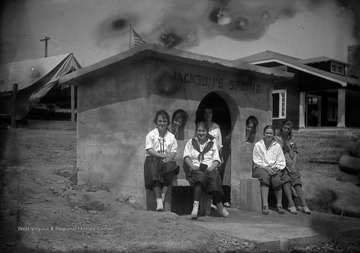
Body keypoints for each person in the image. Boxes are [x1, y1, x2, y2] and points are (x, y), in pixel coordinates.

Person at [183, 121, 229, 219]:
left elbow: (217, 160)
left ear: (207, 132)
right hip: (196, 169)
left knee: (214, 179)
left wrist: (210, 168)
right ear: (196, 131)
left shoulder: (212, 144)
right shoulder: (191, 142)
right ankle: (195, 207)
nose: (201, 133)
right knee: (201, 177)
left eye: (203, 131)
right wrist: (192, 166)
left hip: (209, 169)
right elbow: (186, 156)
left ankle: (220, 207)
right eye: (199, 131)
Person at [144, 110, 180, 211]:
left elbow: (173, 150)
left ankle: (164, 191)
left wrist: (169, 158)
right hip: (153, 160)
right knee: (154, 172)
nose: (162, 123)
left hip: (165, 160)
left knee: (171, 166)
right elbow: (149, 150)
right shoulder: (151, 135)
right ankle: (159, 200)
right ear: (156, 122)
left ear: (167, 122)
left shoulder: (171, 136)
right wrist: (162, 156)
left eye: (164, 121)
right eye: (160, 121)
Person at [275, 120, 311, 214]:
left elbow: (295, 154)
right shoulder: (276, 139)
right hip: (281, 165)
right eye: (285, 128)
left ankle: (304, 205)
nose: (286, 130)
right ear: (281, 127)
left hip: (291, 164)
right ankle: (291, 204)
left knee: (297, 182)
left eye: (288, 129)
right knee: (286, 180)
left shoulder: (292, 140)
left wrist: (294, 165)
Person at [253, 125, 288, 215]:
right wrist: (266, 168)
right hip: (261, 167)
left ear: (273, 135)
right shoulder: (258, 145)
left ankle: (279, 205)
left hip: (274, 168)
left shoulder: (277, 146)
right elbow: (256, 160)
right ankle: (265, 205)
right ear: (264, 134)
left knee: (276, 180)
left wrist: (275, 168)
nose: (269, 135)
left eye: (271, 133)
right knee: (264, 178)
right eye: (267, 133)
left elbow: (281, 161)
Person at [203, 107, 230, 207]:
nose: (207, 114)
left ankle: (214, 201)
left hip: (215, 155)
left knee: (215, 178)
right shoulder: (201, 125)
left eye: (209, 112)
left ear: (212, 114)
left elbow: (220, 143)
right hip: (204, 155)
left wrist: (221, 156)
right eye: (206, 112)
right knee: (206, 177)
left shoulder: (216, 127)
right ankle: (207, 202)